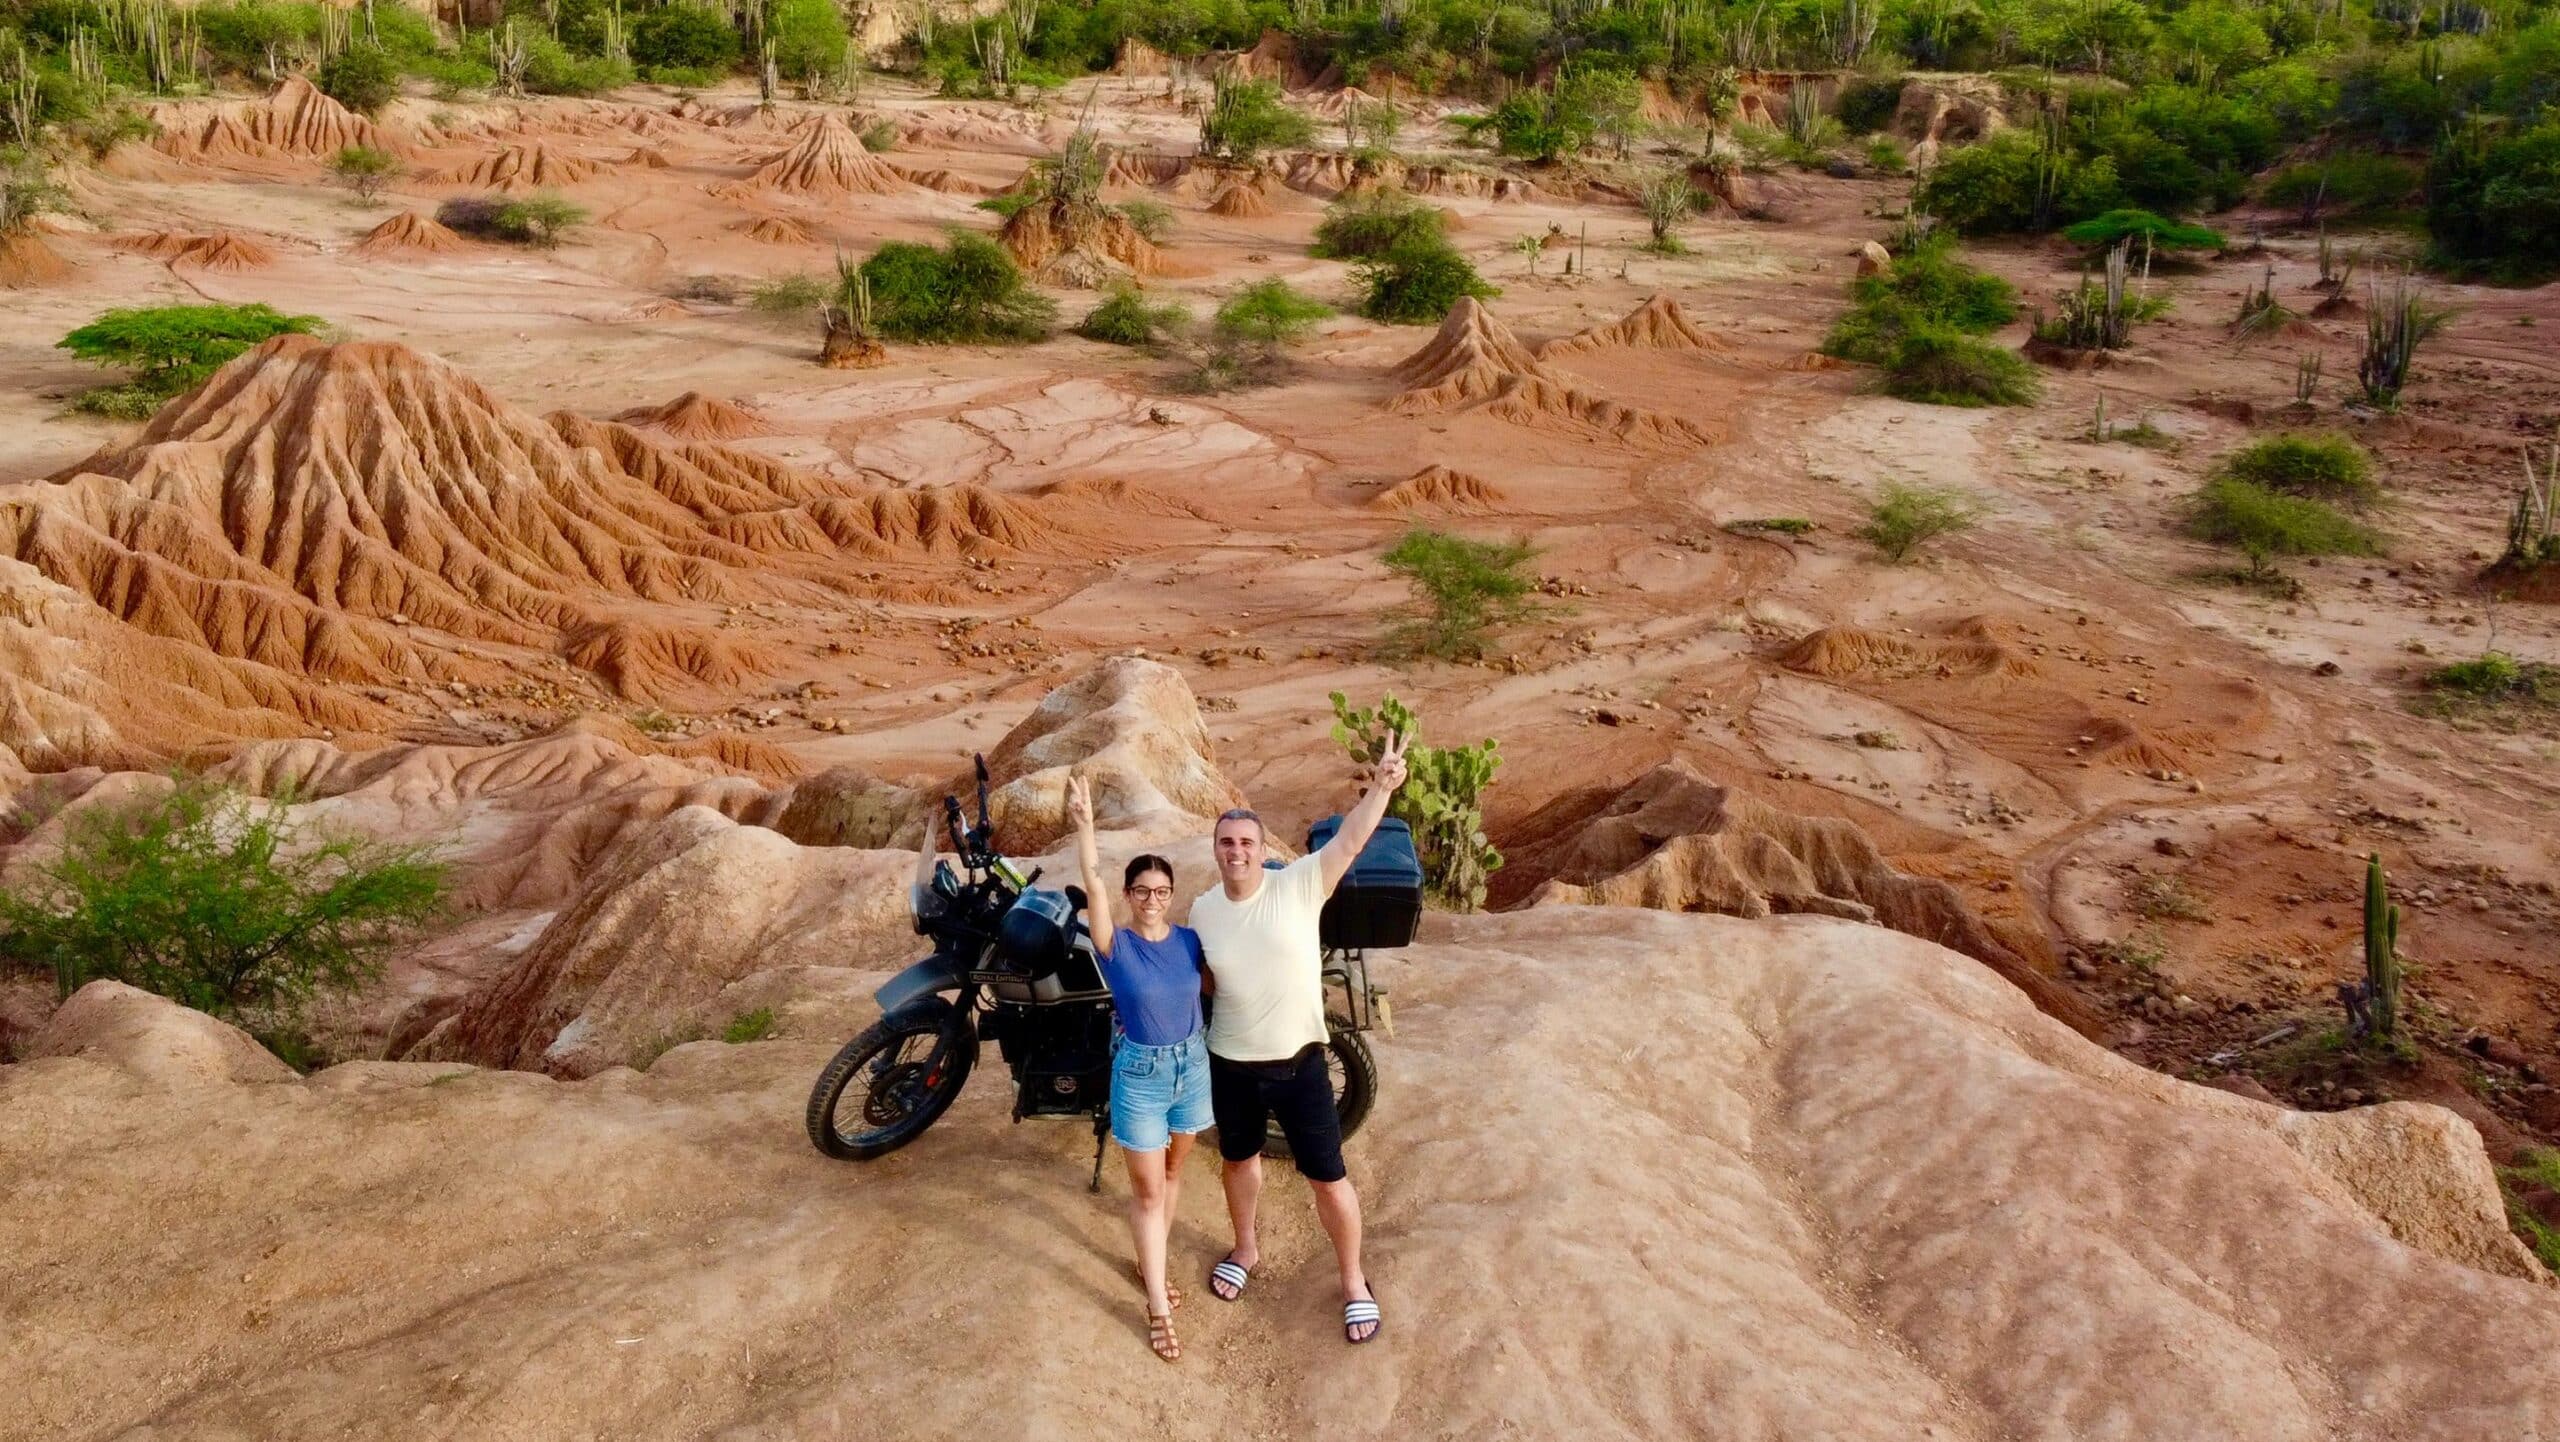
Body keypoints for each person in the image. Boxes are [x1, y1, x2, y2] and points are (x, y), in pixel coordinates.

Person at [1192, 729, 1409, 1345]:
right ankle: (1245, 1248)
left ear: (1263, 851)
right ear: (1217, 851)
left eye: (1246, 843)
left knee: (1326, 1176)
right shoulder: (1205, 909)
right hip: (1231, 1064)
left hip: (1301, 1064)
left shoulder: (1300, 885)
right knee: (1239, 1161)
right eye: (1226, 842)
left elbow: (1350, 838)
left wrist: (1381, 787)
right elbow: (1205, 976)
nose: (1236, 851)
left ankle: (1353, 1281)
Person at [1067, 774, 1211, 1364]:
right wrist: (1085, 826)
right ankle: (1157, 1302)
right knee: (1149, 1191)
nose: (1152, 899)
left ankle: (1150, 1262)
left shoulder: (1191, 942)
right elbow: (1092, 883)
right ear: (1129, 895)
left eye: (1161, 891)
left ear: (1171, 895)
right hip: (1142, 1078)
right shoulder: (1115, 945)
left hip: (1192, 1068)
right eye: (1142, 891)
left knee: (1174, 1177)